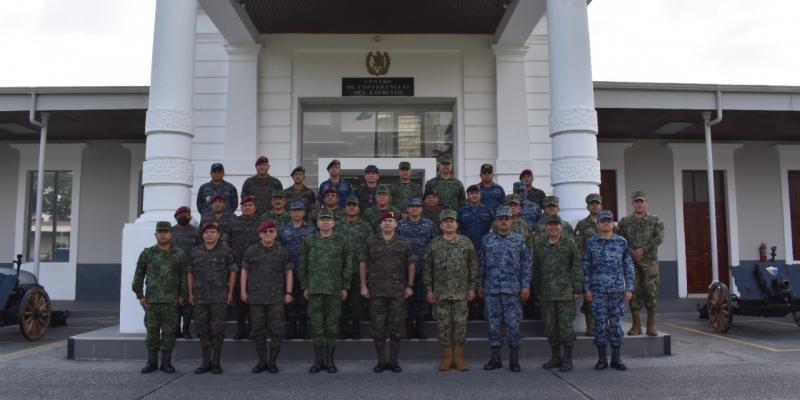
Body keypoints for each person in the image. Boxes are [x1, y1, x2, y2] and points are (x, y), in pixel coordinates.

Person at [360, 211, 415, 373]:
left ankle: (394, 361)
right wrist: (363, 285)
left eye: (391, 220)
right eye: (384, 221)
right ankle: (381, 361)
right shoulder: (371, 241)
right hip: (376, 291)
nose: (388, 223)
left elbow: (411, 264)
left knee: (397, 327)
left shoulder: (403, 242)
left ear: (396, 224)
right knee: (378, 327)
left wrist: (410, 285)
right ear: (380, 224)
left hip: (397, 291)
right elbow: (363, 263)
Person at [479, 206, 532, 373]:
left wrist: (525, 285)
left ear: (511, 221)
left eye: (506, 219)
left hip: (513, 290)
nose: (503, 221)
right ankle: (495, 359)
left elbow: (526, 265)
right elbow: (481, 264)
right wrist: (479, 284)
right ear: (496, 221)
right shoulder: (486, 240)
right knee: (493, 325)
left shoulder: (519, 239)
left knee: (513, 325)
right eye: (500, 218)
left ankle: (514, 360)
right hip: (491, 289)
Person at [424, 210, 478, 371]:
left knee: (460, 325)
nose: (449, 223)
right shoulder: (434, 243)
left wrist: (472, 288)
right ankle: (447, 357)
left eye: (452, 221)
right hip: (441, 292)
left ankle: (459, 357)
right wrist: (429, 289)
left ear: (456, 224)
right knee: (443, 325)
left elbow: (473, 266)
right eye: (446, 221)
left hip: (461, 292)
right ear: (441, 225)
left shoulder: (465, 242)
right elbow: (428, 268)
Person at [300, 208, 352, 373]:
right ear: (317, 223)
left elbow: (348, 265)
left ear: (333, 223)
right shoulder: (309, 241)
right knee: (317, 326)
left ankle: (330, 361)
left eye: (328, 220)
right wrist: (305, 286)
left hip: (334, 289)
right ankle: (317, 361)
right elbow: (303, 265)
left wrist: (345, 286)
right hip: (314, 289)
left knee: (331, 326)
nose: (325, 222)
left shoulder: (341, 241)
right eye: (322, 220)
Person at [132, 221, 187, 374]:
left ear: (171, 234)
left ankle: (166, 363)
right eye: (160, 232)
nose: (163, 234)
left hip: (171, 302)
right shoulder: (147, 253)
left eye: (166, 231)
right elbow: (139, 274)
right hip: (152, 301)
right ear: (155, 235)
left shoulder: (179, 254)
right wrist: (140, 295)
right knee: (152, 333)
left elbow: (183, 276)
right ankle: (151, 362)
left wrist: (183, 295)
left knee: (169, 333)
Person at [584, 210, 635, 371]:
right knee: (599, 324)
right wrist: (587, 289)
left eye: (608, 221)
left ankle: (616, 359)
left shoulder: (621, 242)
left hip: (617, 291)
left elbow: (629, 266)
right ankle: (601, 359)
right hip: (597, 291)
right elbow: (586, 267)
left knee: (615, 324)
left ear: (613, 223)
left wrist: (630, 288)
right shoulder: (590, 242)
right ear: (597, 224)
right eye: (602, 221)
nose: (606, 223)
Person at [240, 220, 293, 373]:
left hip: (276, 297)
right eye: (265, 232)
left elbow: (289, 272)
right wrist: (243, 291)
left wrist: (289, 292)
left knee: (277, 330)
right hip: (256, 297)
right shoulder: (251, 251)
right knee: (258, 330)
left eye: (271, 231)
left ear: (276, 234)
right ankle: (261, 361)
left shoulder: (282, 251)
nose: (268, 234)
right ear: (259, 234)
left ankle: (272, 362)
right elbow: (245, 271)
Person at [187, 222, 237, 374]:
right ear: (202, 235)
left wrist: (230, 292)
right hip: (200, 297)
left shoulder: (225, 251)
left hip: (219, 297)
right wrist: (190, 294)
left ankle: (216, 362)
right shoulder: (195, 252)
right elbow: (190, 273)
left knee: (218, 330)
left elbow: (233, 271)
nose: (209, 234)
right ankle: (205, 362)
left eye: (212, 232)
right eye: (207, 232)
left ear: (218, 235)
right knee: (202, 330)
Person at [534, 215, 582, 372]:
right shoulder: (540, 245)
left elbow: (576, 266)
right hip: (547, 293)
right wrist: (537, 288)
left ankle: (567, 359)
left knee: (565, 328)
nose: (553, 227)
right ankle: (555, 357)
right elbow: (536, 269)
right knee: (550, 327)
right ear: (546, 227)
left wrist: (576, 288)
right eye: (550, 225)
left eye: (556, 225)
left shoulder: (569, 243)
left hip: (565, 293)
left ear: (561, 227)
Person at [615, 190, 664, 336]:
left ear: (646, 204)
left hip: (649, 262)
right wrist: (631, 251)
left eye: (641, 201)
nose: (639, 204)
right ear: (632, 204)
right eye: (636, 202)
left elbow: (659, 238)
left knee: (651, 290)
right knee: (633, 291)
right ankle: (636, 325)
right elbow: (619, 239)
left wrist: (643, 250)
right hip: (632, 262)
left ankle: (651, 326)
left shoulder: (656, 220)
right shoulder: (625, 222)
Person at [396, 197, 438, 339]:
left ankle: (420, 327)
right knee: (406, 299)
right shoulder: (400, 225)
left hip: (424, 267)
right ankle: (408, 327)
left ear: (422, 209)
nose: (415, 209)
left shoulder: (429, 224)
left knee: (421, 299)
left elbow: (434, 245)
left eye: (418, 206)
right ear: (407, 209)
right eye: (412, 206)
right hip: (404, 268)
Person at [334, 196, 373, 339]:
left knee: (357, 300)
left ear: (358, 208)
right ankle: (343, 327)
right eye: (349, 205)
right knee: (341, 299)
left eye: (354, 205)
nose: (351, 207)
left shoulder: (365, 226)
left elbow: (370, 247)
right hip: (340, 269)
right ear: (344, 208)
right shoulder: (336, 225)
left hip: (358, 268)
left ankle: (356, 327)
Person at [227, 195, 265, 340]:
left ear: (255, 207)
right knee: (238, 300)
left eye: (250, 205)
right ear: (241, 207)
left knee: (254, 299)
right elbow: (226, 241)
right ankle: (240, 329)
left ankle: (252, 329)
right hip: (237, 266)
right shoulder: (233, 222)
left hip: (256, 266)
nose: (247, 207)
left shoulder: (262, 222)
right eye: (245, 205)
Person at [278, 201, 317, 339]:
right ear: (289, 213)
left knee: (304, 300)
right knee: (290, 301)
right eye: (294, 210)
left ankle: (304, 328)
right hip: (288, 271)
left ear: (304, 213)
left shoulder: (311, 229)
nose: (296, 213)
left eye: (299, 210)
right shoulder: (283, 229)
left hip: (305, 270)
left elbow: (314, 249)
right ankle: (292, 327)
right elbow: (280, 250)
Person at [574, 193, 602, 336]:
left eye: (597, 203)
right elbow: (578, 247)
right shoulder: (582, 225)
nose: (595, 205)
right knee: (589, 298)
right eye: (592, 203)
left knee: (604, 298)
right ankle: (590, 326)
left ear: (601, 205)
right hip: (589, 267)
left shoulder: (607, 222)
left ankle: (601, 325)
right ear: (588, 206)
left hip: (605, 267)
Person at [171, 206, 200, 339]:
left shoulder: (196, 232)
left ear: (190, 216)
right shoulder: (171, 231)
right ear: (176, 217)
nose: (183, 216)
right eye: (181, 214)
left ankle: (186, 330)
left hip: (191, 271)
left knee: (188, 301)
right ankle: (176, 329)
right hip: (173, 271)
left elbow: (200, 249)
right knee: (175, 301)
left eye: (186, 214)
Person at [458, 185, 493, 252]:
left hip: (484, 245)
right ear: (467, 195)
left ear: (480, 195)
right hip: (466, 245)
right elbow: (458, 229)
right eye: (472, 193)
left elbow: (493, 226)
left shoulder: (488, 210)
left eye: (477, 193)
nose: (474, 195)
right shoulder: (461, 211)